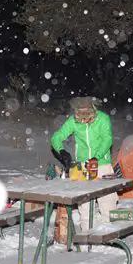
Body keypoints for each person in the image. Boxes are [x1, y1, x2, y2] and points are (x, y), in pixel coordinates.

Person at [50, 96, 117, 230]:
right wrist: (62, 151)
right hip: (82, 166)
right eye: (80, 117)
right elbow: (56, 137)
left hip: (102, 164)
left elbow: (107, 139)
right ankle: (87, 235)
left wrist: (96, 157)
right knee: (85, 205)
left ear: (93, 111)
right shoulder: (73, 121)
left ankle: (108, 234)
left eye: (87, 117)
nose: (84, 120)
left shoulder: (103, 119)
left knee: (107, 202)